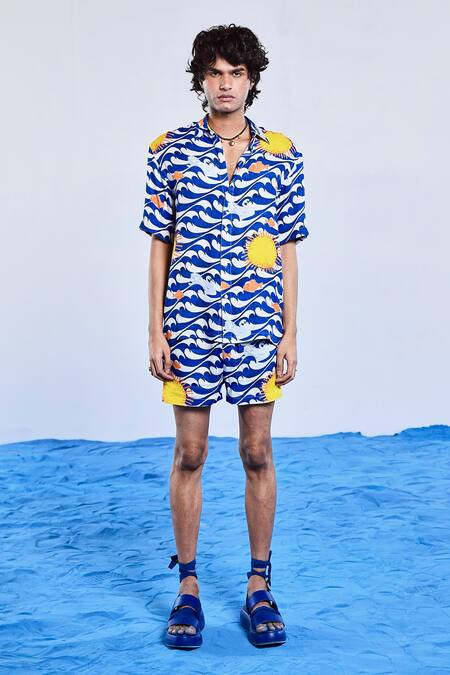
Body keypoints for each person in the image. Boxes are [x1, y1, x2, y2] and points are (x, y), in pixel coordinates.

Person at [138, 24, 309, 649]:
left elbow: (288, 248)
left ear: (252, 79)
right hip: (189, 323)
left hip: (259, 326)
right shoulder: (169, 150)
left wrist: (290, 330)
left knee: (257, 452)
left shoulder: (283, 154)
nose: (225, 84)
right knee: (191, 454)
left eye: (236, 73)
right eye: (214, 72)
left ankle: (259, 584)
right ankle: (187, 586)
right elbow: (160, 243)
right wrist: (155, 327)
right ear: (200, 80)